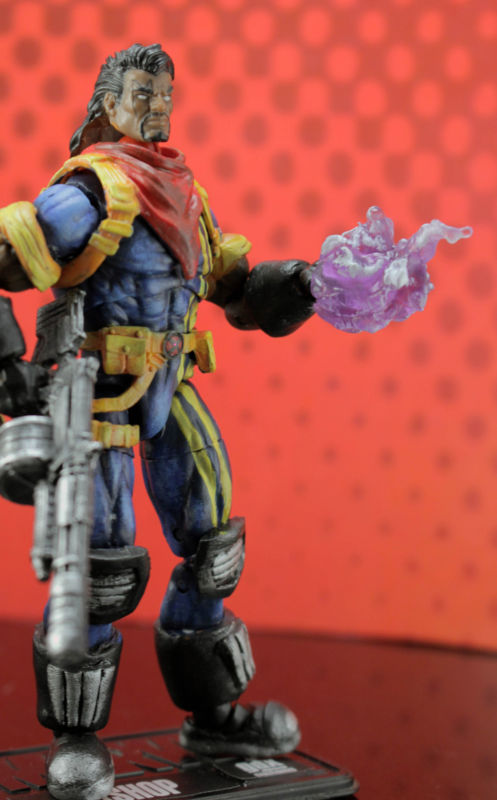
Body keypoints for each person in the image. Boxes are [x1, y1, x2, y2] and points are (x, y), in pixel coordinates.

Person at [0, 43, 316, 800]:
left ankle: (213, 715)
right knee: (101, 571)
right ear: (108, 104)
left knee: (213, 550)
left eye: (164, 94)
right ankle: (76, 738)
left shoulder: (186, 193)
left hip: (172, 389)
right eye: (141, 94)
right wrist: (11, 371)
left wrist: (304, 285)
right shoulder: (91, 191)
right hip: (100, 396)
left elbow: (237, 292)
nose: (155, 107)